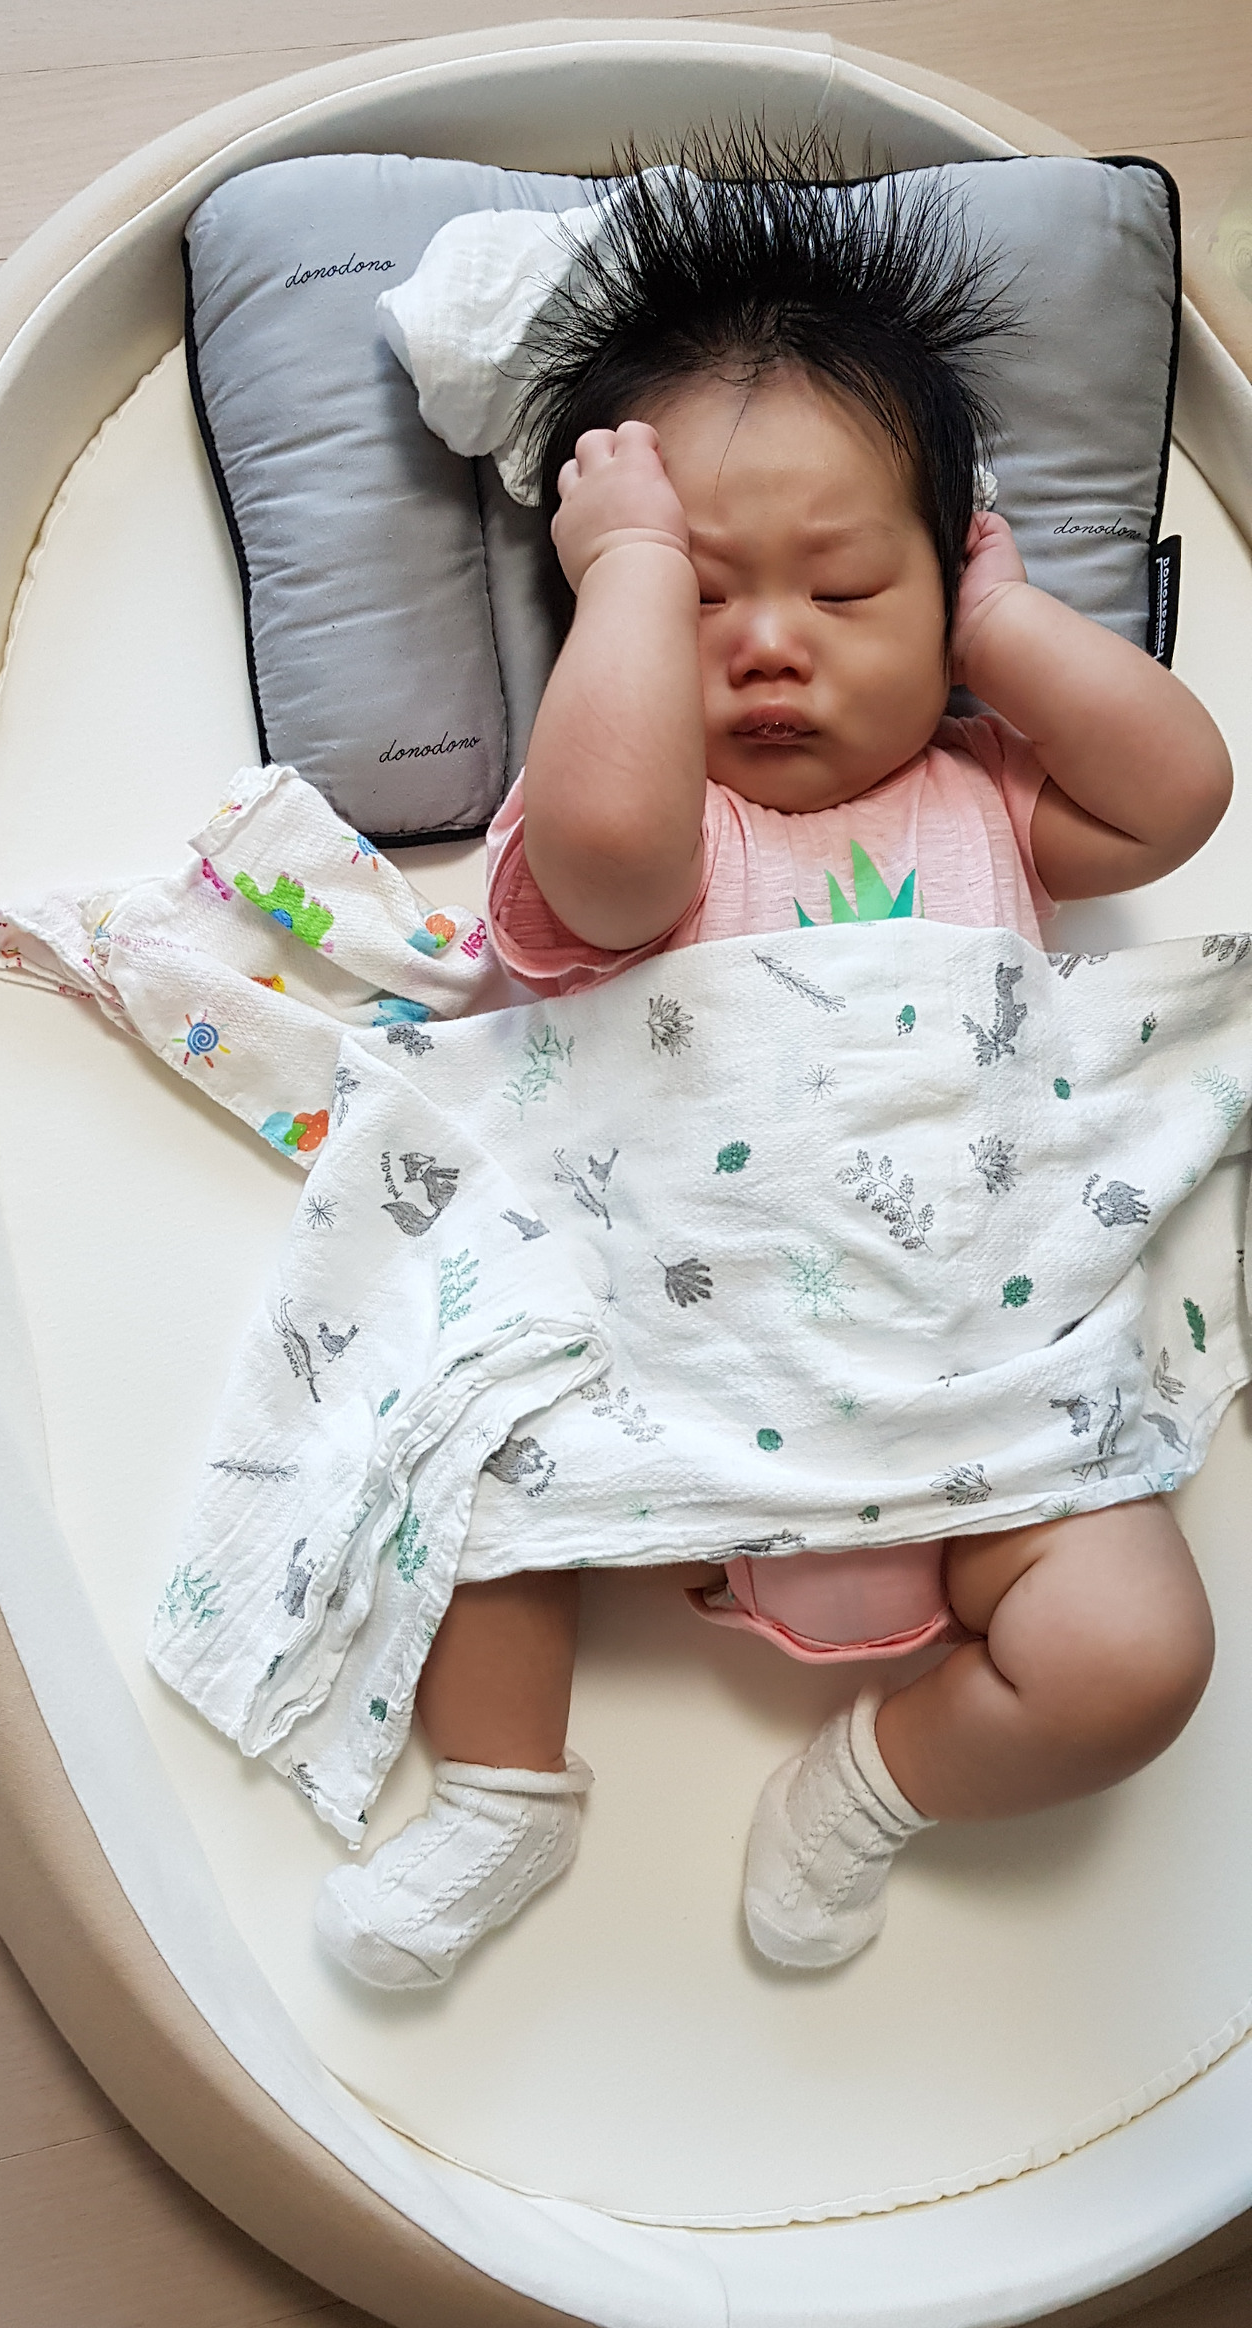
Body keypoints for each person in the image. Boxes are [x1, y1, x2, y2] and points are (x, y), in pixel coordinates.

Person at [316, 145, 1231, 1991]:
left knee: (1139, 1662)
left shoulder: (991, 802)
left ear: (943, 584)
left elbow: (1182, 796)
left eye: (847, 586)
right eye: (698, 597)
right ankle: (502, 1793)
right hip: (653, 1366)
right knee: (461, 1482)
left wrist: (1005, 630)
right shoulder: (645, 821)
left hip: (970, 1388)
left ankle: (879, 1785)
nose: (767, 645)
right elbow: (607, 859)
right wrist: (624, 575)